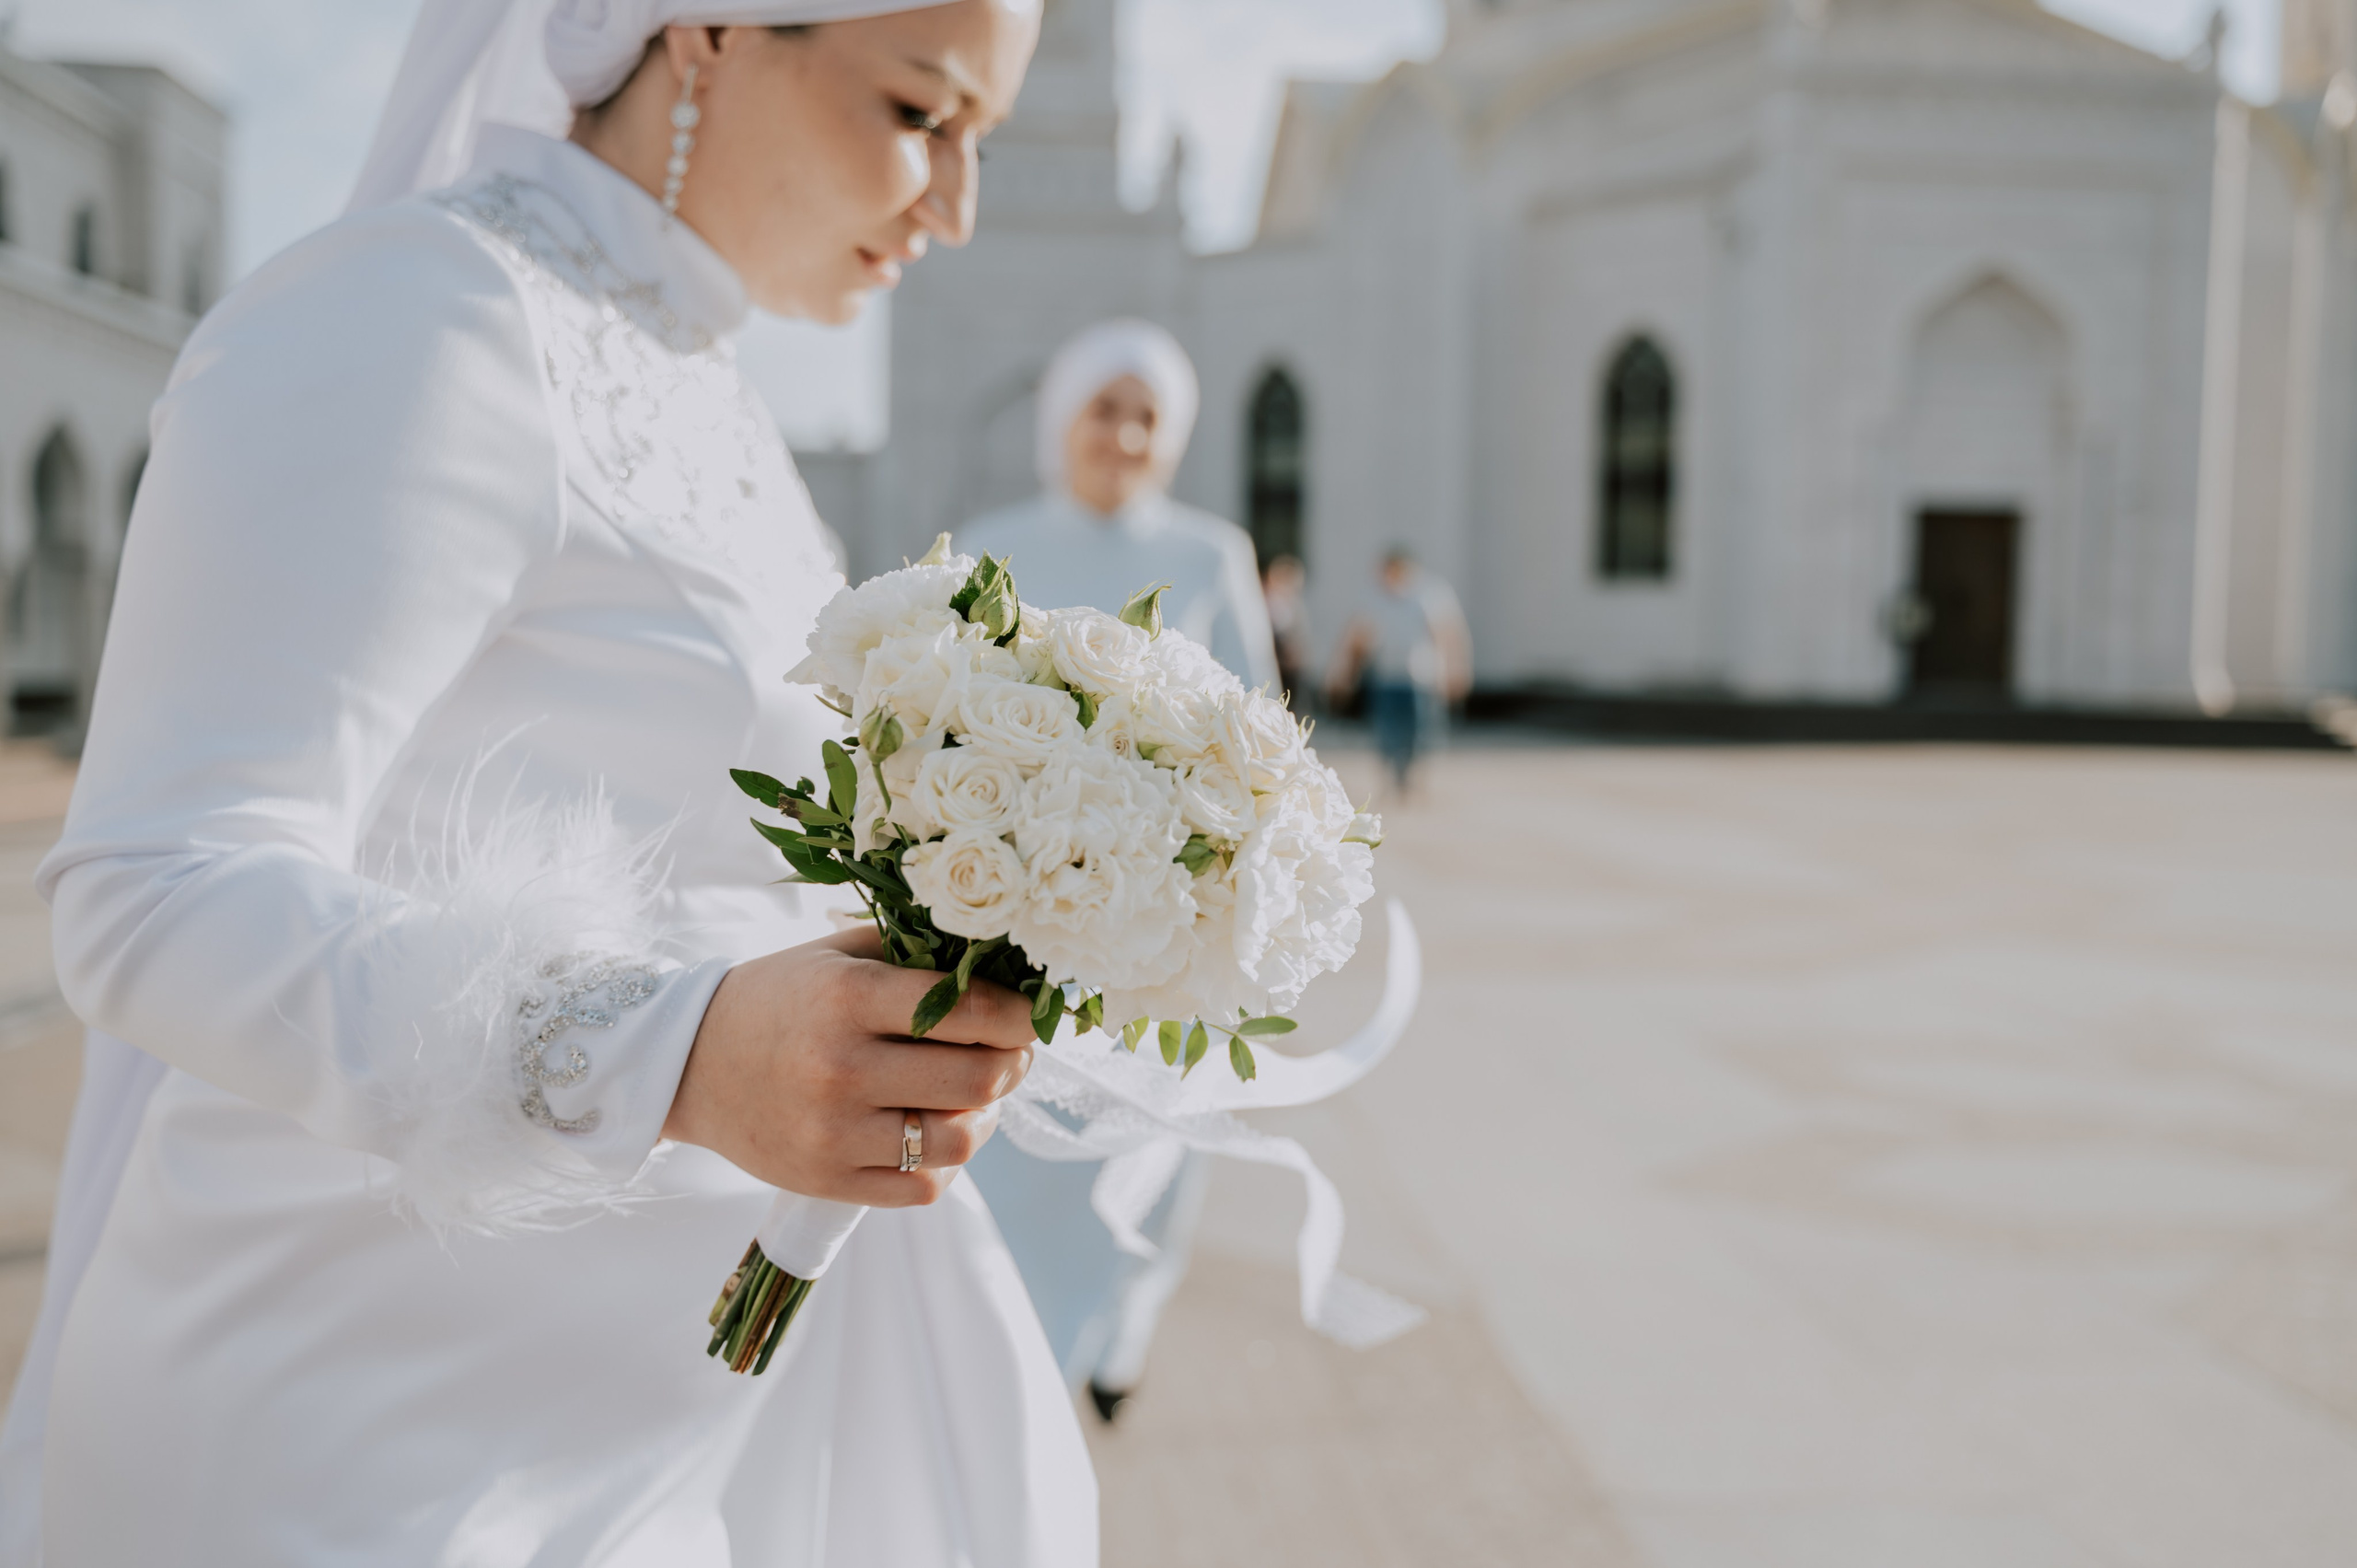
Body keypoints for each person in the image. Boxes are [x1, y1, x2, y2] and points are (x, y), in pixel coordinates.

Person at [0, 5, 1101, 1564]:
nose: (956, 205)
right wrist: (677, 1055)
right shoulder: (423, 311)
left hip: (651, 1438)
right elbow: (154, 888)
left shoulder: (707, 387)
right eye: (924, 113)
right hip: (360, 1439)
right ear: (709, 32)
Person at [958, 319, 1278, 1420]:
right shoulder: (992, 545)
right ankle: (1020, 1351)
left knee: (1149, 1144)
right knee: (1021, 1143)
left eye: (1148, 417)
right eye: (1106, 410)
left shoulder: (1210, 553)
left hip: (1162, 916)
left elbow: (1255, 727)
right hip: (1020, 907)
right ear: (1062, 419)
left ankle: (1119, 1323)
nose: (1127, 436)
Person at [1328, 546, 1473, 798]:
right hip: (1386, 676)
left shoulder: (1429, 593)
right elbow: (1357, 636)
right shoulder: (1374, 596)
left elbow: (1447, 633)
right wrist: (1345, 673)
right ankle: (1394, 778)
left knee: (1420, 731)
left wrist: (1456, 669)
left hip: (1421, 676)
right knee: (1387, 731)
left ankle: (1412, 778)